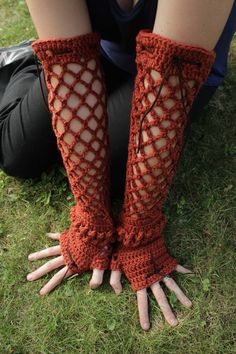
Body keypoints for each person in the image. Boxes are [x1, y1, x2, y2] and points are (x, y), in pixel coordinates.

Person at [0, 0, 235, 331]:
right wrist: (92, 222)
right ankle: (25, 63)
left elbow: (170, 78)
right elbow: (68, 66)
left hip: (182, 62)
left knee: (118, 170)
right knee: (17, 154)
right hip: (104, 48)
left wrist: (139, 233)